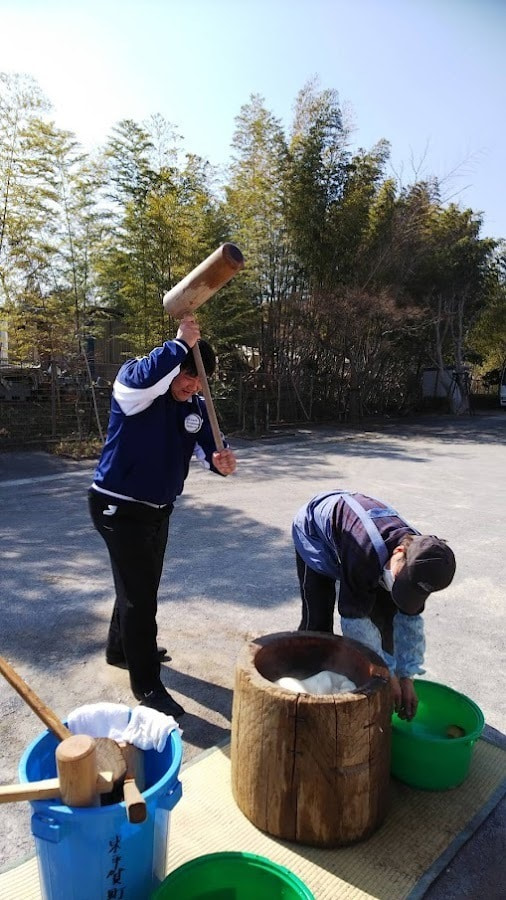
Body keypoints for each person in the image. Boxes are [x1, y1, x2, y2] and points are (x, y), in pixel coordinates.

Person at [88, 316, 237, 719]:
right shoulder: (136, 390)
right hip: (117, 506)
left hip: (157, 509)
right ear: (173, 368)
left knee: (141, 583)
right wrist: (180, 343)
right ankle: (148, 685)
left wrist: (222, 462)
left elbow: (211, 452)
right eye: (186, 376)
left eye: (198, 381)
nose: (191, 386)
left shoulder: (196, 408)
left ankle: (121, 648)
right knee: (141, 597)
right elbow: (141, 379)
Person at [292, 490, 456, 720]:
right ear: (400, 551)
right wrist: (386, 674)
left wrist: (405, 675)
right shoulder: (365, 551)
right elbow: (354, 622)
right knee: (318, 618)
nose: (403, 588)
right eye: (403, 581)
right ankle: (303, 687)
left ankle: (376, 680)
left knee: (384, 619)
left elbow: (409, 622)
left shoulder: (425, 560)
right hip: (316, 531)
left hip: (363, 548)